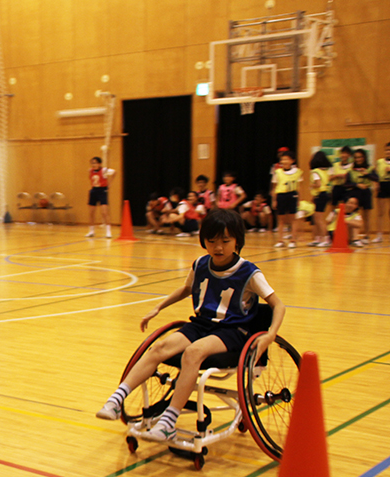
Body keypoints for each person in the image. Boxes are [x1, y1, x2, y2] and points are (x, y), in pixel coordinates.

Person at [96, 209, 285, 442]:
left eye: (225, 241)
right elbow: (186, 289)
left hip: (232, 331)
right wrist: (158, 307)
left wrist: (269, 335)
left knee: (193, 352)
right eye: (211, 241)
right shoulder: (201, 264)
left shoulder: (249, 272)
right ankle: (117, 400)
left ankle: (168, 422)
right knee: (159, 347)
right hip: (201, 324)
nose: (218, 247)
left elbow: (278, 305)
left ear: (237, 240)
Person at [270, 150, 302, 248]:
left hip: (293, 195)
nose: (284, 161)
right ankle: (280, 240)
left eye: (287, 159)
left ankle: (293, 240)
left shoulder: (298, 172)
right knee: (281, 219)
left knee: (293, 219)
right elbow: (274, 187)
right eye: (283, 159)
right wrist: (274, 200)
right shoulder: (278, 172)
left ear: (292, 160)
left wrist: (299, 200)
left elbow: (299, 187)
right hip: (281, 196)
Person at [347, 148, 377, 243]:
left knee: (366, 215)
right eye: (356, 157)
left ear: (364, 157)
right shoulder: (351, 170)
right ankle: (353, 237)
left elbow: (376, 178)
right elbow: (347, 183)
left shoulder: (370, 168)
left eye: (360, 157)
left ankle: (367, 235)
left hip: (366, 192)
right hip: (355, 193)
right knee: (353, 215)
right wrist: (357, 185)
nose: (358, 159)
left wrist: (367, 174)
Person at [308, 150, 333, 247]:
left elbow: (318, 184)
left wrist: (312, 185)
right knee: (316, 217)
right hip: (325, 194)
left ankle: (326, 238)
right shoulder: (326, 171)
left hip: (321, 195)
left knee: (319, 219)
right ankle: (318, 238)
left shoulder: (315, 172)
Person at [85, 156, 115, 238]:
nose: (93, 165)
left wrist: (109, 184)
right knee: (91, 212)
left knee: (104, 212)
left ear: (99, 163)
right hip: (94, 191)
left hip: (102, 191)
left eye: (95, 163)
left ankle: (108, 232)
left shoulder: (104, 170)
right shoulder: (90, 170)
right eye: (92, 163)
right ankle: (91, 231)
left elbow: (114, 172)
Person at [375, 142, 390, 243]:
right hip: (383, 185)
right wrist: (376, 184)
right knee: (380, 212)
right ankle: (379, 235)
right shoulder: (380, 162)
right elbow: (375, 174)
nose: (388, 152)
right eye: (387, 150)